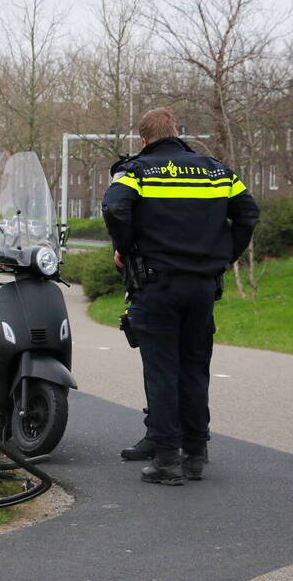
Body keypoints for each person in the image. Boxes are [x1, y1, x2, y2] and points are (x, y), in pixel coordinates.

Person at [102, 107, 259, 485]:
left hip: (157, 285)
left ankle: (167, 460)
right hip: (202, 286)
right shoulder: (216, 170)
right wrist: (223, 257)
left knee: (161, 370)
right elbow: (248, 213)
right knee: (194, 368)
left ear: (144, 140)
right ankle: (195, 454)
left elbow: (114, 206)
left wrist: (127, 249)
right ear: (177, 132)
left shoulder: (138, 170)